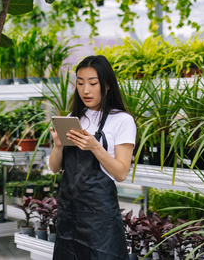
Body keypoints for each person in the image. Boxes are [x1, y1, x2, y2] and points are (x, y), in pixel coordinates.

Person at [49, 55, 136, 260]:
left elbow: (121, 172)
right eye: (80, 83)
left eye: (92, 83)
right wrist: (58, 146)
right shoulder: (73, 119)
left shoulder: (122, 120)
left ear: (106, 85)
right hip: (69, 214)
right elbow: (54, 168)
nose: (85, 90)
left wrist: (96, 148)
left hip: (100, 219)